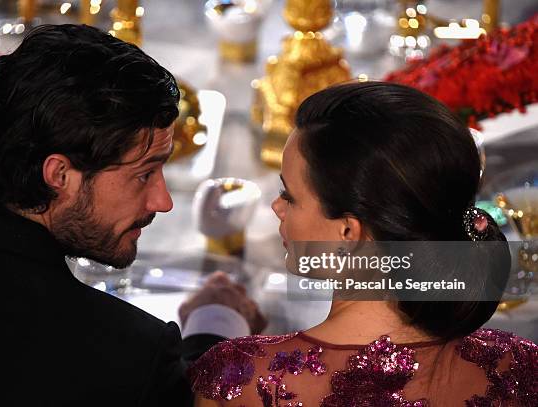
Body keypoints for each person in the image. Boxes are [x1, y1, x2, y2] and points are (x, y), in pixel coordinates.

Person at [0, 24, 264, 405]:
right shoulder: (127, 356)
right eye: (144, 173)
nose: (163, 200)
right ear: (59, 174)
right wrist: (214, 326)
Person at [190, 82, 538, 406]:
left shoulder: (239, 380)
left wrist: (215, 324)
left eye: (289, 195)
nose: (276, 207)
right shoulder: (520, 368)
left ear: (348, 232)